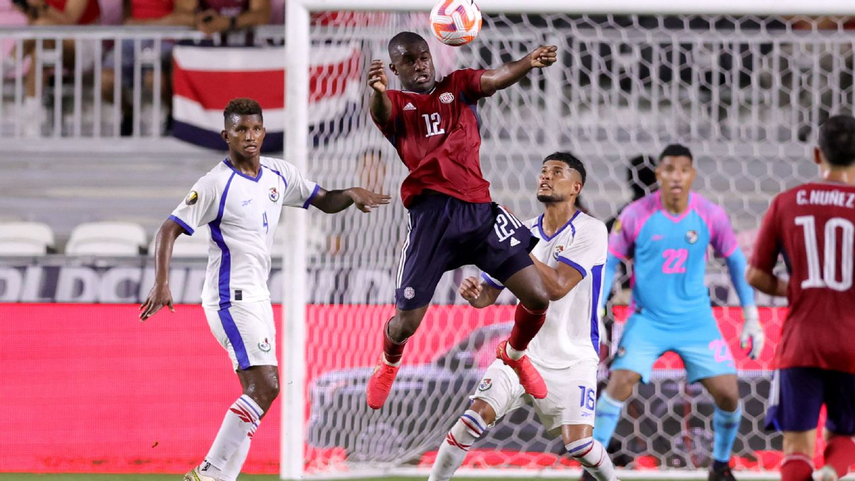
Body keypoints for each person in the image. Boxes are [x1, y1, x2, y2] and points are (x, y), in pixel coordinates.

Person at [138, 98, 390, 481]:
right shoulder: (214, 184)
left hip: (257, 298)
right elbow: (168, 228)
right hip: (228, 298)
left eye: (255, 129)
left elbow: (322, 200)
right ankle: (208, 473)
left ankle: (222, 477)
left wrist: (351, 193)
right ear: (227, 136)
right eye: (240, 130)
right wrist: (161, 282)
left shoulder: (278, 174)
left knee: (258, 394)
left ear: (263, 132)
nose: (250, 136)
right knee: (266, 386)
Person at [366, 31, 558, 409]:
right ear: (395, 68)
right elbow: (381, 112)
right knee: (405, 324)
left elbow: (495, 77)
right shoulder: (395, 103)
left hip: (480, 211)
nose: (420, 64)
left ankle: (515, 355)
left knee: (537, 296)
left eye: (424, 56)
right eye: (409, 60)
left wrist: (528, 61)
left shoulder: (458, 85)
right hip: (431, 220)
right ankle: (389, 362)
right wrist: (375, 91)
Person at [428, 152, 619, 481]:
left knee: (580, 445)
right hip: (521, 353)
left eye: (556, 172)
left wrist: (518, 243)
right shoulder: (525, 230)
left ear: (576, 186)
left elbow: (556, 287)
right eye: (543, 171)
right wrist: (477, 295)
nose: (545, 176)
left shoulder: (591, 230)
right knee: (473, 419)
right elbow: (489, 295)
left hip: (573, 356)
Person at [590, 144, 763, 481]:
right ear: (659, 174)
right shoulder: (636, 215)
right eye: (669, 169)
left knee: (728, 393)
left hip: (696, 322)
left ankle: (721, 465)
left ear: (692, 174)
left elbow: (736, 262)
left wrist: (752, 317)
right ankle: (592, 468)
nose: (676, 176)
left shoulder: (710, 215)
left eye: (683, 169)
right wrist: (596, 307)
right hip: (647, 320)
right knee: (619, 384)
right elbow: (610, 261)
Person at [746, 115, 855, 481]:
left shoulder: (787, 202)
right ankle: (830, 471)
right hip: (852, 342)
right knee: (845, 434)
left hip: (802, 342)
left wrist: (795, 288)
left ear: (816, 153)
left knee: (795, 448)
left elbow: (756, 275)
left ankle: (810, 470)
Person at [11, 0, 100, 137]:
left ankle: (10, 60)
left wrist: (42, 5)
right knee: (39, 52)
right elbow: (33, 27)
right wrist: (28, 10)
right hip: (55, 43)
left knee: (42, 26)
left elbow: (69, 21)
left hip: (84, 46)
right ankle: (31, 125)